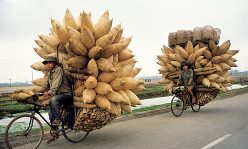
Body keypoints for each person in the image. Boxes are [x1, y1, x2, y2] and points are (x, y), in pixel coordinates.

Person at [38, 56, 73, 143]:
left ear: (54, 63)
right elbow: (46, 85)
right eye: (46, 63)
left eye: (50, 62)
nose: (48, 64)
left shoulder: (58, 70)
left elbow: (55, 85)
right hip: (58, 96)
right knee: (50, 113)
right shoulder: (50, 73)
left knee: (53, 100)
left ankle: (58, 119)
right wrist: (39, 91)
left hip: (66, 95)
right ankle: (55, 133)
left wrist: (49, 92)